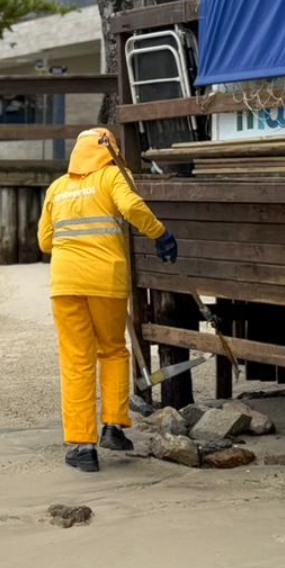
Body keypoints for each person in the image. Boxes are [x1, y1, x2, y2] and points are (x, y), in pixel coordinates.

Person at [38, 127, 178, 473]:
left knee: (76, 360)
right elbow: (131, 206)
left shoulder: (57, 187)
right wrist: (160, 234)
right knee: (113, 350)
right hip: (106, 281)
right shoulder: (113, 175)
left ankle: (82, 447)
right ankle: (113, 427)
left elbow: (44, 241)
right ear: (109, 150)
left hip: (65, 284)